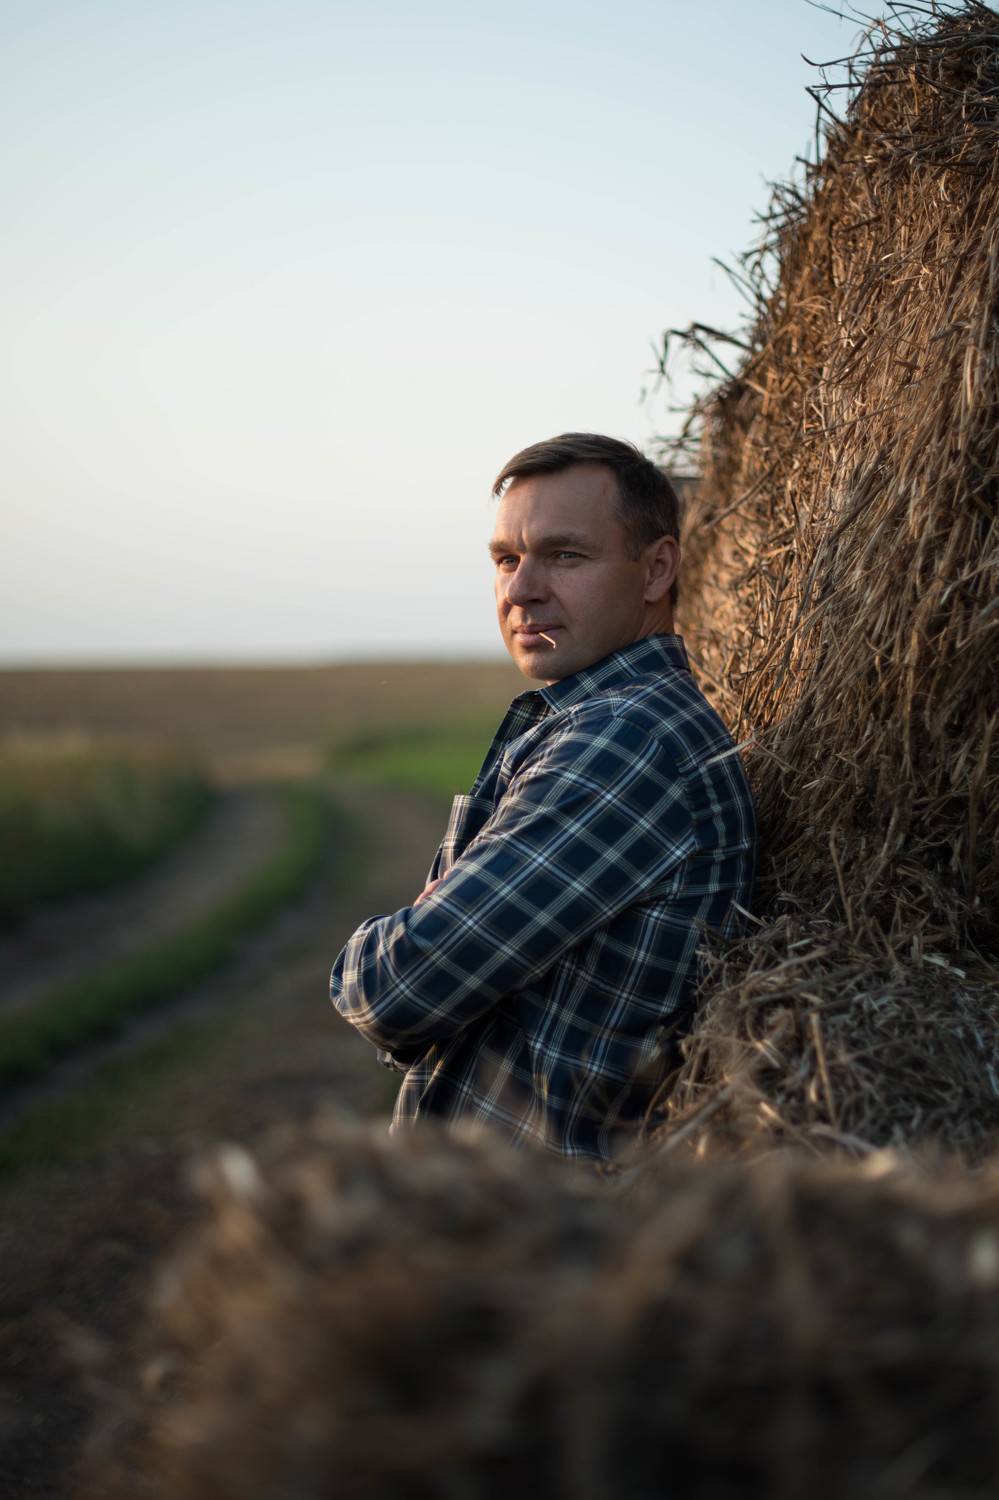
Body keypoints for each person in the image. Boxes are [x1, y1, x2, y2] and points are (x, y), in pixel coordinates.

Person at [330, 433, 756, 1161]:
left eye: (564, 556)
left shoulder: (625, 744)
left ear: (657, 569)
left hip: (532, 1209)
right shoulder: (603, 722)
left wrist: (369, 951)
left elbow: (396, 989)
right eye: (506, 559)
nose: (520, 590)